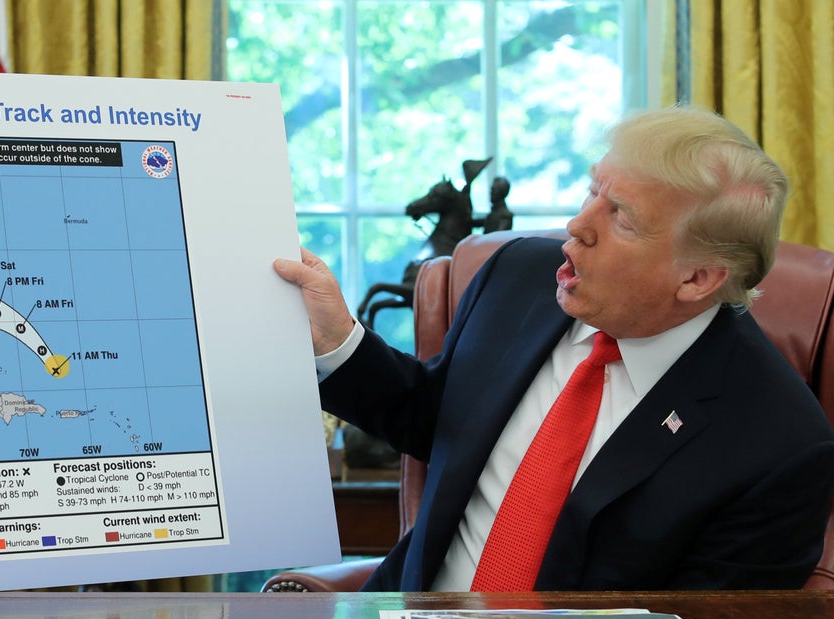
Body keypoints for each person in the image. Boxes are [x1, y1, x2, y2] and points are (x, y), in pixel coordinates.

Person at [274, 105, 834, 591]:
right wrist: (337, 339)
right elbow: (436, 419)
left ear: (697, 279)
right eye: (594, 191)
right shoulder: (518, 279)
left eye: (623, 219)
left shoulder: (780, 444)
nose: (577, 225)